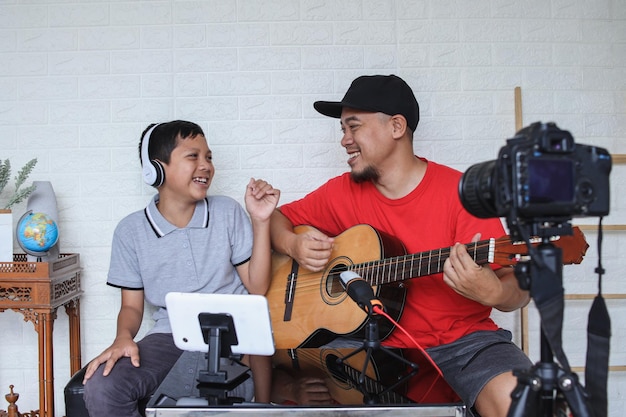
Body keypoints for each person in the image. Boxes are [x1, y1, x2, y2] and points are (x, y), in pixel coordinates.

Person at [269, 75, 532, 417]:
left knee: (522, 401)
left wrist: (494, 293)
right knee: (281, 368)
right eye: (342, 130)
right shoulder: (342, 192)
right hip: (368, 344)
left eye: (353, 127)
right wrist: (293, 243)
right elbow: (275, 218)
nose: (345, 140)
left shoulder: (463, 194)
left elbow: (519, 288)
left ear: (396, 126)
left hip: (463, 343)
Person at [82, 120, 280, 417]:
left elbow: (257, 287)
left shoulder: (227, 212)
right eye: (193, 156)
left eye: (209, 157)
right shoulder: (130, 231)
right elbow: (132, 307)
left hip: (234, 339)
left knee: (200, 391)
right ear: (156, 169)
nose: (206, 166)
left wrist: (261, 221)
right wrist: (123, 337)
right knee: (103, 386)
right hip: (170, 338)